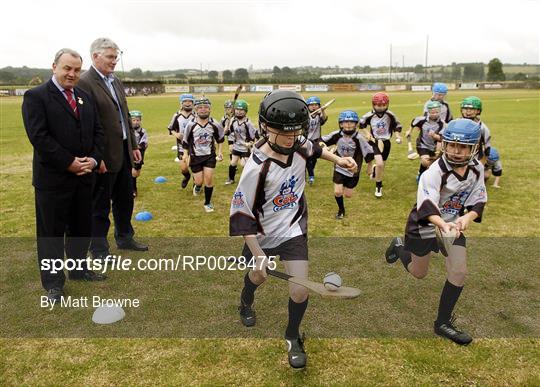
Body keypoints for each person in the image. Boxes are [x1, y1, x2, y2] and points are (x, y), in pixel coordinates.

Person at [230, 90, 357, 369]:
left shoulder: (298, 142)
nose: (291, 138)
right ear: (265, 126)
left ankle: (292, 337)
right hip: (261, 235)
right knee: (258, 276)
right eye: (283, 133)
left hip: (293, 231)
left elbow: (315, 148)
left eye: (295, 133)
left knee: (299, 290)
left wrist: (340, 160)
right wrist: (258, 253)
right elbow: (241, 215)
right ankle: (245, 300)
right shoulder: (256, 167)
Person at [385, 118, 487, 345]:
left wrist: (466, 218)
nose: (456, 151)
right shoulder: (434, 172)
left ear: (474, 148)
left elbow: (479, 200)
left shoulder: (477, 169)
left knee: (459, 271)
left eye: (463, 147)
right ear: (444, 144)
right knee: (419, 273)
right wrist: (443, 225)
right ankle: (400, 247)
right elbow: (426, 206)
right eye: (451, 145)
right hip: (424, 224)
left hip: (452, 225)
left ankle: (442, 323)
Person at [22, 48, 107, 302]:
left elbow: (97, 131)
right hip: (53, 180)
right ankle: (53, 283)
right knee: (51, 234)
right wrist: (69, 162)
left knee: (82, 227)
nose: (72, 74)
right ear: (54, 67)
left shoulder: (83, 95)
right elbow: (39, 137)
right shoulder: (36, 96)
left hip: (84, 177)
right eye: (67, 68)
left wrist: (92, 159)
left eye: (76, 70)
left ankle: (79, 270)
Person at [78, 37, 148, 259]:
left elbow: (124, 114)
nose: (114, 61)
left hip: (124, 152)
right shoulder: (84, 82)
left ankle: (125, 237)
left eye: (115, 57)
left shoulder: (114, 81)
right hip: (103, 157)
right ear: (95, 56)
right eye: (110, 57)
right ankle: (99, 250)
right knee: (100, 207)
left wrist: (133, 145)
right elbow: (86, 125)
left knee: (125, 199)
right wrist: (96, 157)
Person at [321, 110, 374, 219]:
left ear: (356, 124)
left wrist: (369, 167)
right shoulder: (336, 135)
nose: (348, 124)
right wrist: (324, 147)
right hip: (339, 168)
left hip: (353, 171)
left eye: (351, 122)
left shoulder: (359, 138)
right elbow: (321, 141)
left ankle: (345, 187)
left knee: (348, 195)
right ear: (340, 124)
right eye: (345, 122)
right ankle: (341, 210)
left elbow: (368, 153)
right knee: (337, 192)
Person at [182, 97, 224, 212]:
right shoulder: (191, 125)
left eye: (206, 107)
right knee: (199, 181)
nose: (203, 110)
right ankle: (198, 186)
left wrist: (220, 152)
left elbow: (220, 139)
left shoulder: (215, 124)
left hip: (210, 156)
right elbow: (185, 141)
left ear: (210, 109)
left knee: (209, 179)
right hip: (195, 157)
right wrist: (185, 154)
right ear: (195, 109)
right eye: (200, 107)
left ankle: (207, 202)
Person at [359, 92, 403, 197]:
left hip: (386, 142)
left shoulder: (390, 115)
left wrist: (397, 136)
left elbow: (397, 125)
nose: (381, 107)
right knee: (380, 164)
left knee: (382, 166)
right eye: (378, 105)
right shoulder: (370, 115)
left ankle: (375, 170)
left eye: (384, 105)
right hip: (375, 141)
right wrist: (367, 133)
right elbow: (361, 123)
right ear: (373, 105)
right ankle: (378, 187)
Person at [407, 100, 445, 180]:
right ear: (428, 112)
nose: (434, 114)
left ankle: (425, 175)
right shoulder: (422, 120)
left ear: (440, 112)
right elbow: (413, 122)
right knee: (425, 161)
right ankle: (421, 176)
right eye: (432, 112)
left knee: (432, 164)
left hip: (434, 147)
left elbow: (442, 138)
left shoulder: (442, 124)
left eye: (436, 112)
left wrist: (435, 136)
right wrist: (409, 131)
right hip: (422, 144)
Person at [225, 99, 259, 185]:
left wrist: (250, 143)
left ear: (245, 111)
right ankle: (231, 179)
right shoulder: (233, 121)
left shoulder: (248, 124)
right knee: (233, 163)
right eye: (237, 110)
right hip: (237, 146)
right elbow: (229, 132)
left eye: (241, 110)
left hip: (245, 148)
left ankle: (248, 179)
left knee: (244, 164)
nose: (239, 112)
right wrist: (226, 130)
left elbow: (254, 136)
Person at [167, 93, 195, 189]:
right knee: (183, 168)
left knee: (194, 165)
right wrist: (177, 134)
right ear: (181, 103)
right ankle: (187, 176)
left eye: (190, 101)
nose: (187, 103)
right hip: (181, 145)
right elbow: (171, 128)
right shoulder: (177, 115)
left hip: (194, 145)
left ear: (193, 103)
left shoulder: (196, 115)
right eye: (185, 101)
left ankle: (196, 183)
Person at [460, 96, 492, 163]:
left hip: (475, 157)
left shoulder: (482, 127)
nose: (468, 112)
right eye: (465, 109)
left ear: (478, 111)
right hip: (458, 155)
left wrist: (485, 158)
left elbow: (487, 145)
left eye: (471, 109)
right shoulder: (456, 124)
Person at [305, 96, 328, 185]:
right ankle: (311, 175)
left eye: (316, 105)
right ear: (308, 106)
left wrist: (322, 111)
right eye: (311, 105)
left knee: (314, 158)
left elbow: (324, 120)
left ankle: (310, 171)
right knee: (309, 158)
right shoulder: (305, 116)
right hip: (307, 140)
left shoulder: (319, 115)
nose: (314, 107)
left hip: (317, 139)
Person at [130, 110, 148, 197]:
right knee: (132, 172)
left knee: (137, 173)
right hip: (129, 153)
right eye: (133, 120)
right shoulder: (128, 131)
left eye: (137, 120)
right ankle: (133, 189)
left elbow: (144, 143)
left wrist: (136, 147)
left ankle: (131, 182)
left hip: (139, 153)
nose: (136, 122)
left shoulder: (143, 132)